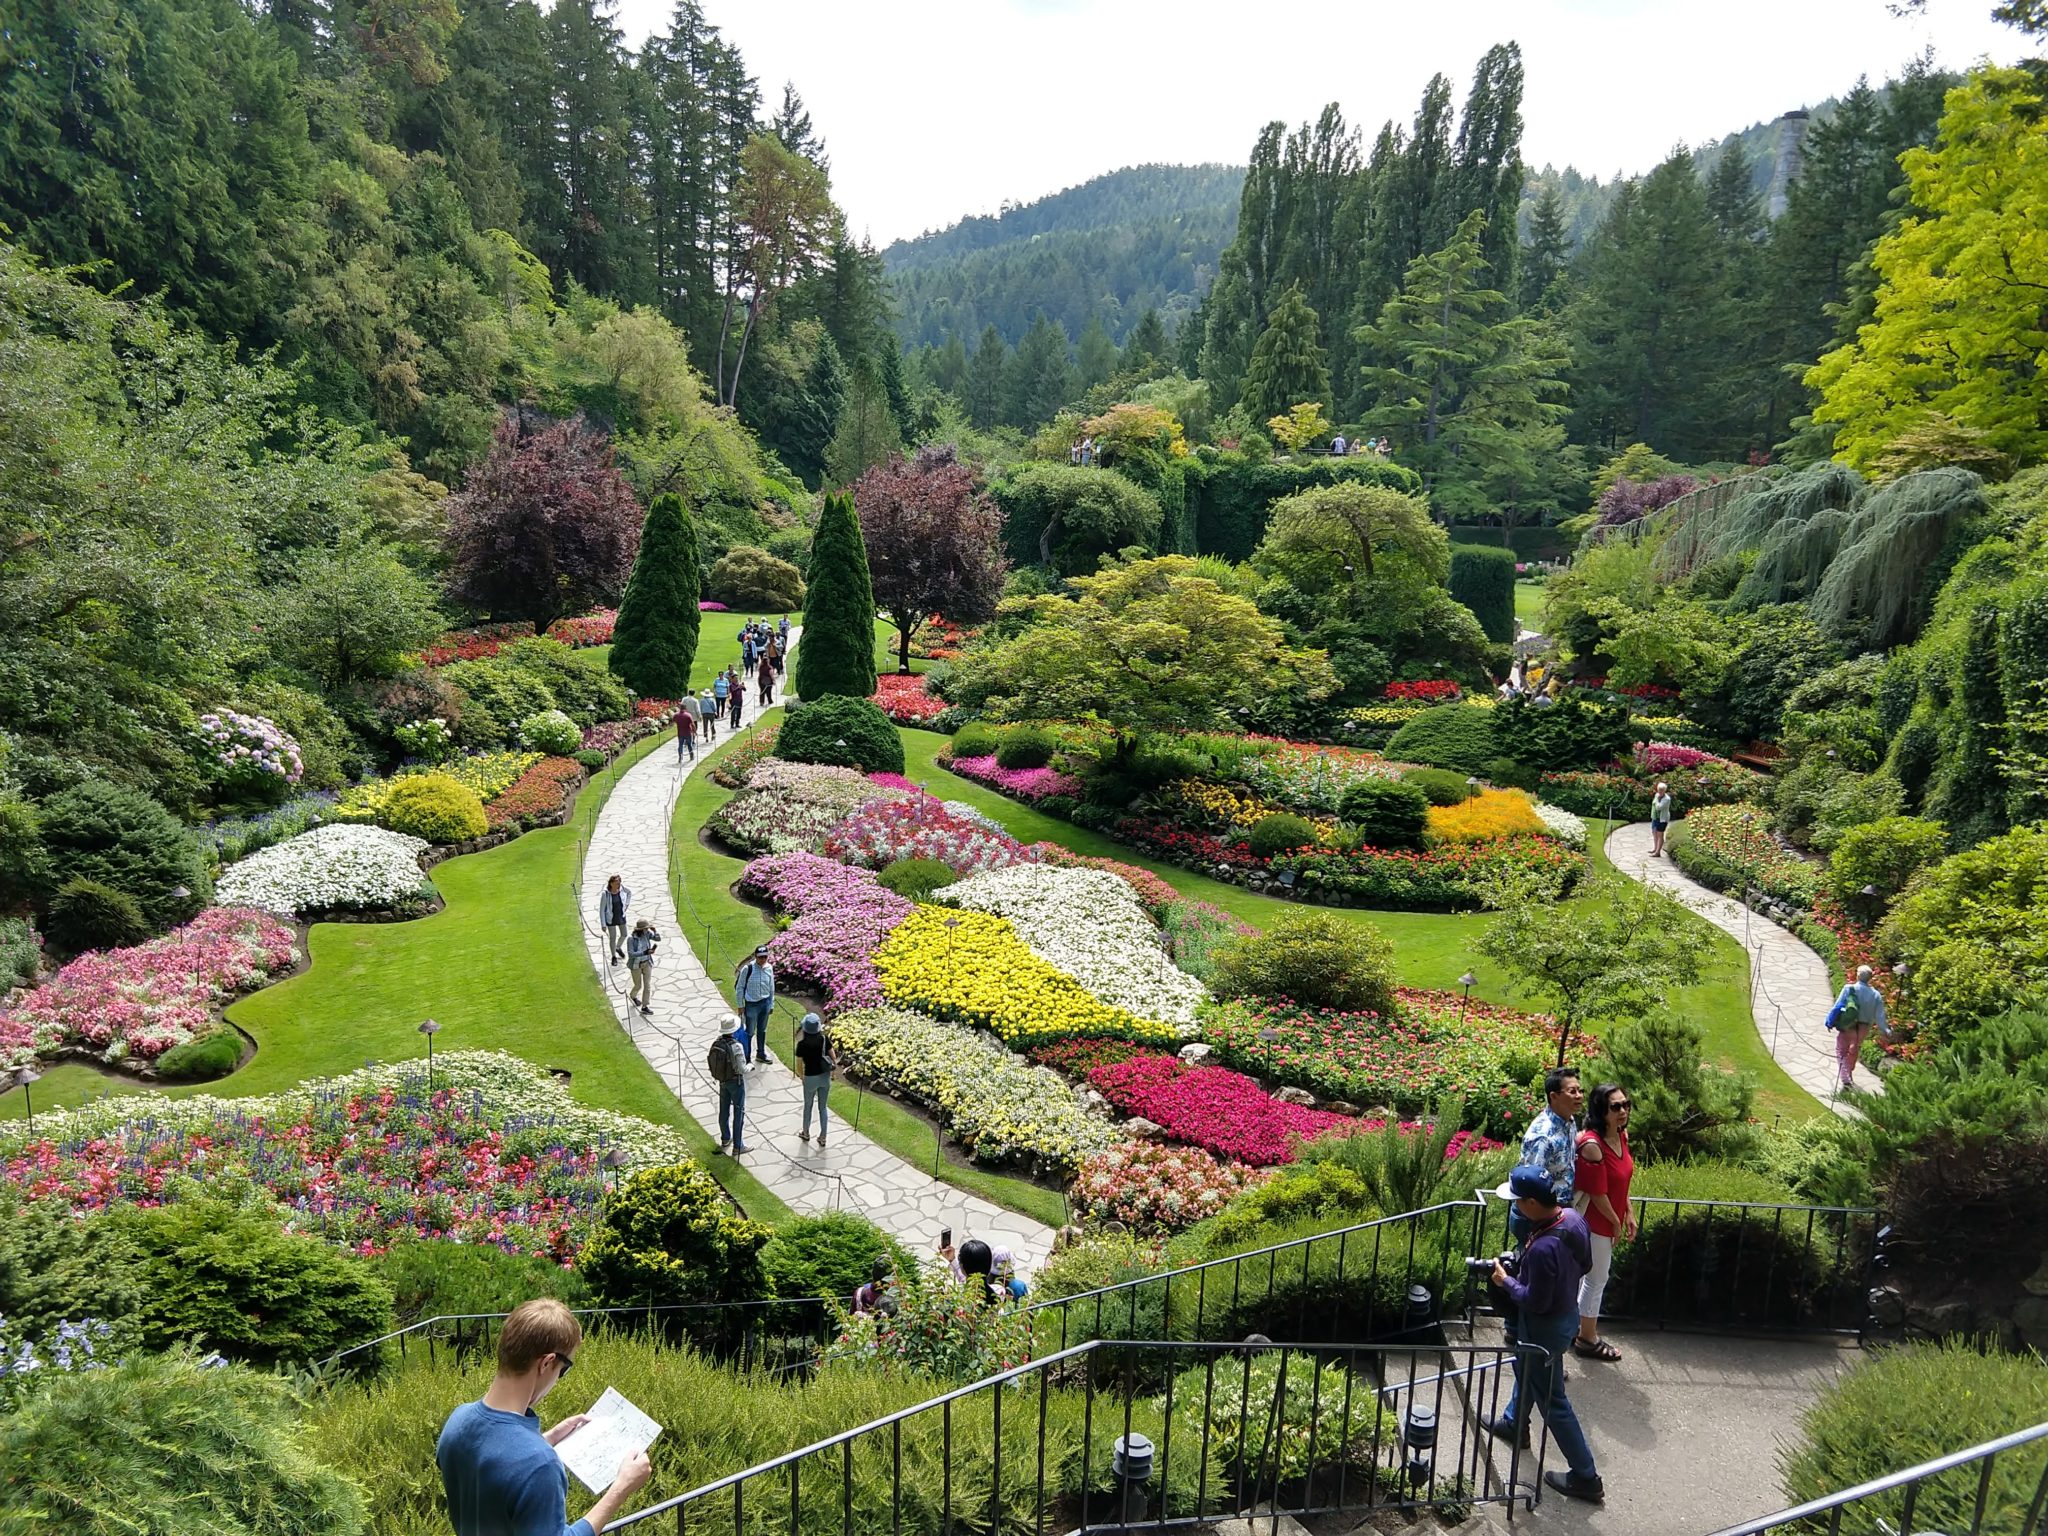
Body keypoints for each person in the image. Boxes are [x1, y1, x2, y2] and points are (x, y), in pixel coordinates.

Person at [437, 1298, 652, 1536]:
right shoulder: (539, 1464)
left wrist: (545, 1439)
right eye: (564, 1369)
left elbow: (491, 1466)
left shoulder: (457, 1421)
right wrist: (621, 1488)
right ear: (547, 1362)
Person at [1482, 1165, 1605, 1503]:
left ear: (1533, 1203)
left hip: (1543, 1329)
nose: (1516, 1207)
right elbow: (1586, 1265)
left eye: (1519, 1201)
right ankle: (1514, 1423)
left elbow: (1532, 1301)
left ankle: (1586, 1475)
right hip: (1566, 1318)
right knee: (1528, 1372)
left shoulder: (1540, 1250)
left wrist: (1504, 1281)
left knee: (1553, 1402)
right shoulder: (1572, 1218)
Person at [1573, 1083, 1637, 1362]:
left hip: (1609, 1218)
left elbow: (1622, 1181)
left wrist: (1628, 1212)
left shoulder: (1620, 1137)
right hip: (1593, 1223)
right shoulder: (1592, 1145)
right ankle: (1587, 1338)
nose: (1623, 1111)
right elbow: (1598, 1193)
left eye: (1626, 1105)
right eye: (1615, 1107)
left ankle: (1574, 1330)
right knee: (1597, 1279)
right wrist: (1615, 1222)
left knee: (1589, 1279)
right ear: (1601, 1109)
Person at [1825, 964, 1890, 1090]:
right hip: (1864, 1027)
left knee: (1841, 1050)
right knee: (1853, 1050)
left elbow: (1838, 1006)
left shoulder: (1849, 988)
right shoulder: (1876, 995)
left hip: (1849, 1024)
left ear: (1858, 975)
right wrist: (1886, 1030)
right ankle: (1848, 1073)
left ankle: (1845, 1078)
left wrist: (1830, 1021)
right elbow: (1880, 1015)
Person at [707, 1015, 748, 1153]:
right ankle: (738, 1146)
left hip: (723, 1081)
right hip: (736, 1082)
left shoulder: (716, 1043)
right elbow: (742, 1069)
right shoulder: (737, 1046)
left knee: (724, 1110)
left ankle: (725, 1137)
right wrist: (751, 1066)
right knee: (738, 1112)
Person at [795, 1011, 832, 1145]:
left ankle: (806, 1132)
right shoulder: (824, 1040)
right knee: (823, 1107)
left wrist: (802, 1077)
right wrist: (832, 1074)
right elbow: (833, 1057)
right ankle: (823, 1137)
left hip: (810, 1077)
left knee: (808, 1106)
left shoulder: (802, 1044)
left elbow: (799, 1064)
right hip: (824, 1076)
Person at [733, 945, 775, 1064]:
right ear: (756, 956)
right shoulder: (748, 968)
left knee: (762, 1030)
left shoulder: (769, 968)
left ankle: (761, 1054)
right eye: (760, 957)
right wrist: (740, 1005)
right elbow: (740, 987)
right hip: (752, 1004)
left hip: (765, 1003)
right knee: (750, 1032)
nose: (763, 959)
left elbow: (771, 987)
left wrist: (771, 1004)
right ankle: (747, 1057)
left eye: (765, 957)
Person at [625, 920, 657, 1016]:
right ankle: (633, 996)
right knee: (638, 985)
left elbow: (658, 939)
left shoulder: (647, 935)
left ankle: (645, 1006)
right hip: (636, 965)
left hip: (647, 963)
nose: (647, 930)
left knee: (647, 985)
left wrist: (655, 931)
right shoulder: (631, 939)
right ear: (640, 930)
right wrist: (644, 953)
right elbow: (631, 954)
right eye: (645, 929)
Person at [597, 875, 630, 964]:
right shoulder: (606, 894)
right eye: (616, 883)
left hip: (621, 915)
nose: (618, 885)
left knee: (624, 934)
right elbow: (602, 910)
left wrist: (627, 904)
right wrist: (603, 924)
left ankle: (617, 947)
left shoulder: (622, 888)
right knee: (613, 938)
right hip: (610, 918)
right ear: (611, 883)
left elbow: (629, 893)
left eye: (619, 883)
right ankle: (613, 957)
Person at [1649, 781, 1674, 857]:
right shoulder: (1657, 795)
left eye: (1661, 790)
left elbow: (1658, 807)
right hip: (1655, 817)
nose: (1660, 791)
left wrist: (1657, 799)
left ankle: (1658, 852)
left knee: (1660, 834)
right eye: (1659, 790)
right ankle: (1655, 848)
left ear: (1664, 790)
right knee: (1654, 833)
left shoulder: (1667, 799)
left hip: (1662, 819)